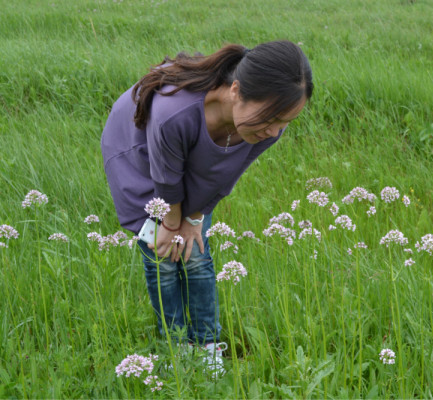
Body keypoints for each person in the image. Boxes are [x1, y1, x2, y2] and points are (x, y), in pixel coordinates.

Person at [100, 40, 313, 376]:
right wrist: (171, 224)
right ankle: (175, 346)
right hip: (139, 155)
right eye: (271, 118)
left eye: (285, 121)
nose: (275, 131)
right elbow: (167, 179)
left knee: (196, 254)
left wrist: (195, 218)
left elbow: (227, 173)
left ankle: (206, 346)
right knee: (162, 257)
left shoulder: (266, 129)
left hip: (189, 163)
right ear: (236, 90)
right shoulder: (175, 113)